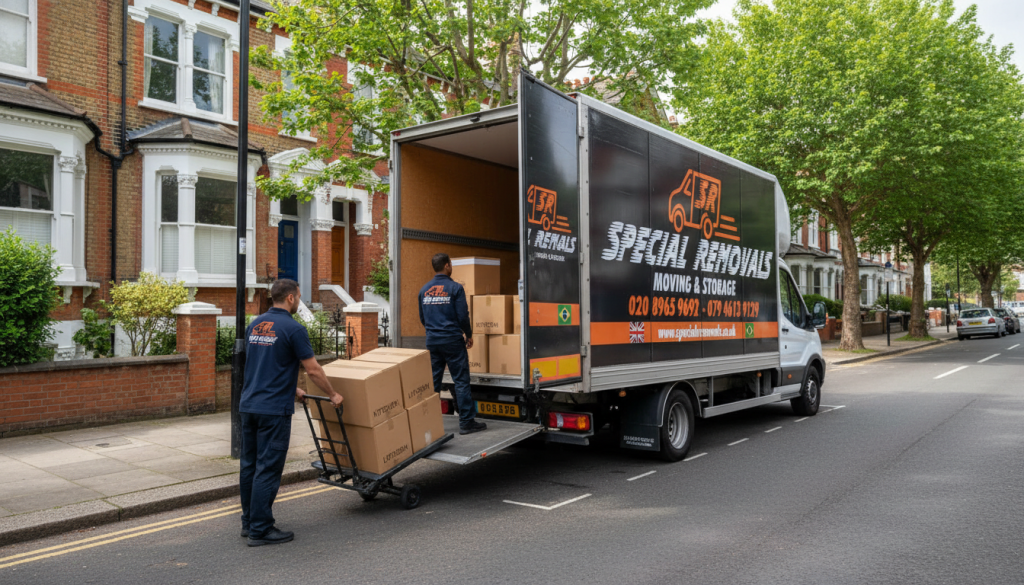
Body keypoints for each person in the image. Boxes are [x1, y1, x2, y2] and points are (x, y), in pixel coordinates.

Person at [239, 279, 343, 547]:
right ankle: (261, 530)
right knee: (268, 468)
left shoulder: (255, 324)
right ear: (290, 299)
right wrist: (333, 394)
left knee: (249, 465)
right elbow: (314, 370)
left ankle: (249, 522)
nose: (299, 300)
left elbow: (261, 363)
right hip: (273, 411)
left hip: (249, 405)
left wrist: (291, 387)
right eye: (298, 296)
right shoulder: (293, 329)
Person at [419, 253, 487, 435]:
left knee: (433, 383)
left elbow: (423, 318)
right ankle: (466, 422)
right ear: (447, 266)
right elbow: (463, 316)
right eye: (451, 264)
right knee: (461, 380)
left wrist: (434, 331)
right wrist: (469, 334)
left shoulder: (424, 290)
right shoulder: (455, 288)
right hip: (452, 340)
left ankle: (428, 425)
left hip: (433, 341)